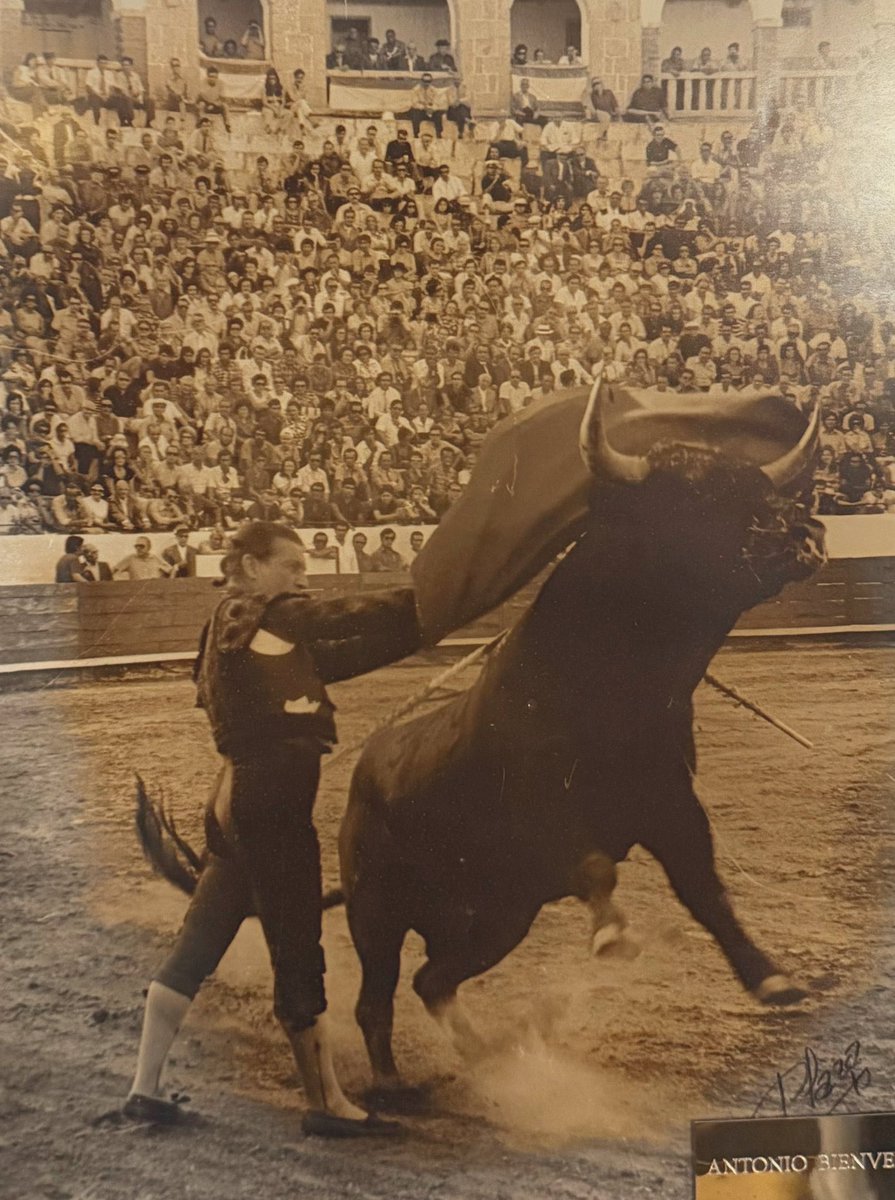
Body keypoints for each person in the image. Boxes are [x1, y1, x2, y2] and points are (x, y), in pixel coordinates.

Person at [124, 521, 422, 1135]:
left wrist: (422, 632)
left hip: (234, 801)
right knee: (298, 948)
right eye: (292, 566)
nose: (302, 580)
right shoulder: (263, 611)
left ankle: (144, 1088)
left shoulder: (234, 628)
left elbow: (342, 656)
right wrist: (436, 595)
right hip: (273, 806)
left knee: (199, 943)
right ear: (253, 567)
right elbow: (344, 615)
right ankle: (326, 1104)